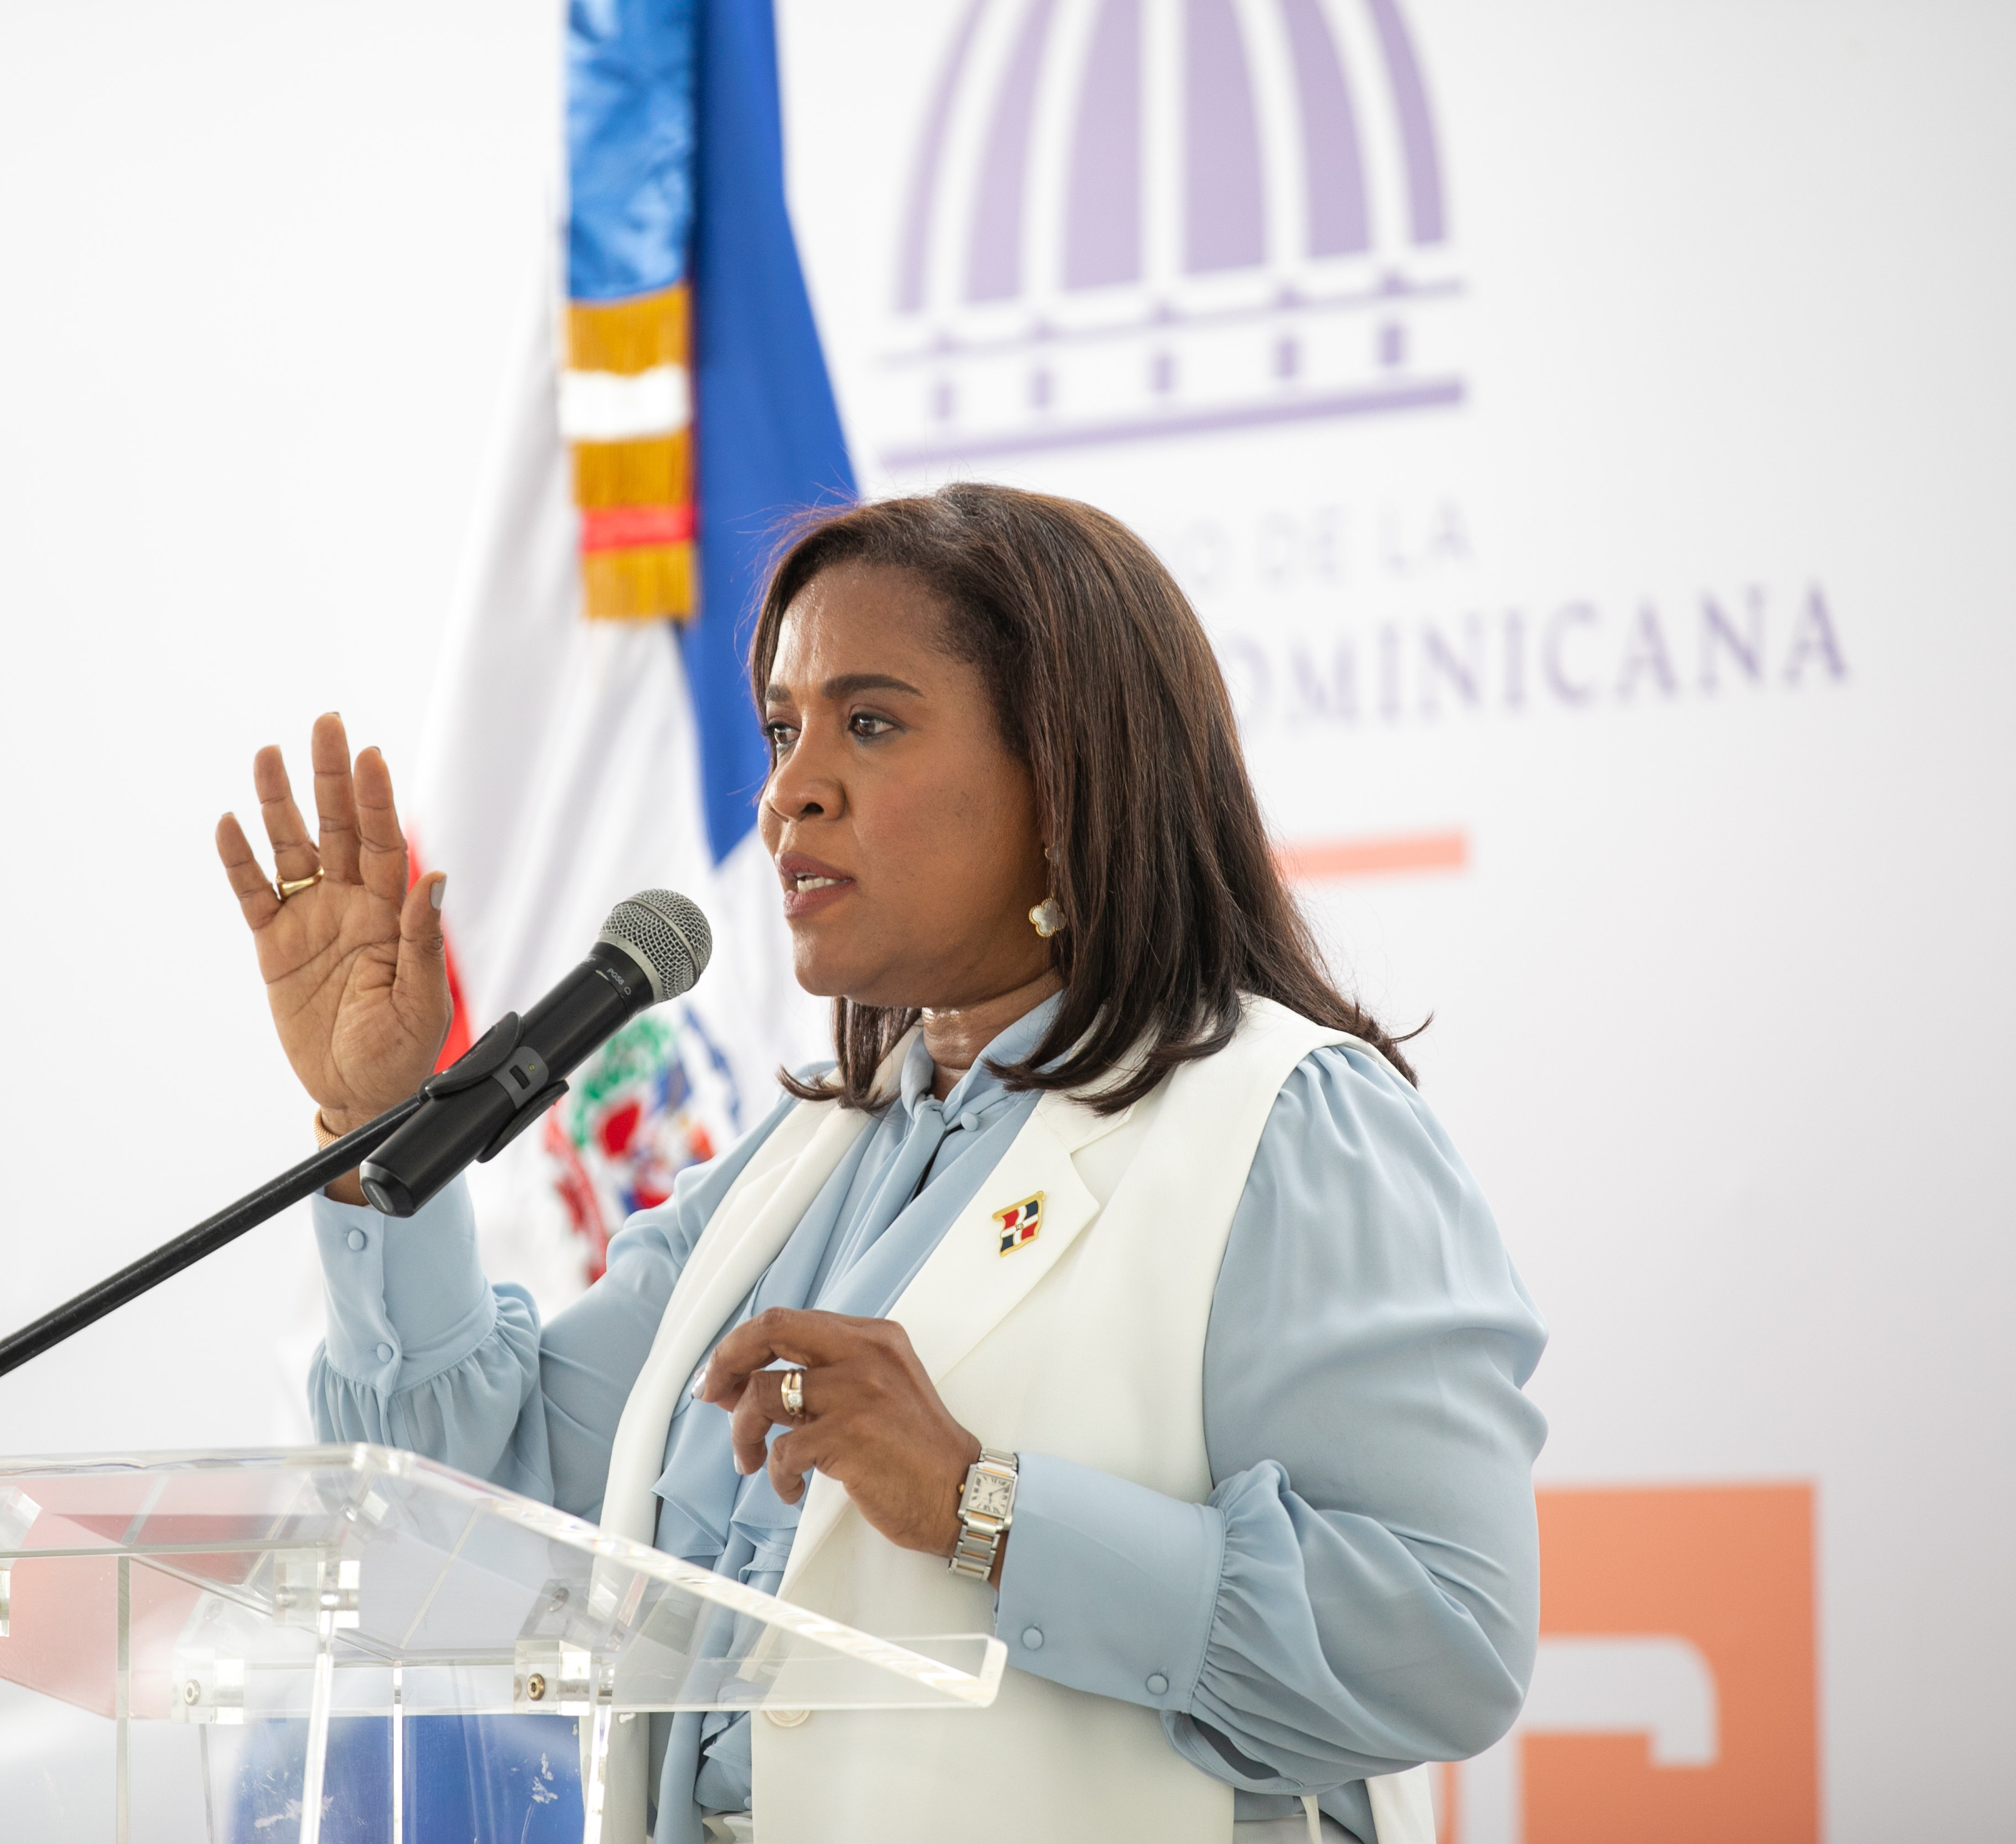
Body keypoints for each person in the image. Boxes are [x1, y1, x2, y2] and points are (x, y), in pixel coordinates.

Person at [214, 484, 1545, 1844]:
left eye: (869, 722)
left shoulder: (1284, 1124)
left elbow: (1442, 1641)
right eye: (782, 729)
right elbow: (459, 1498)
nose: (789, 789)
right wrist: (376, 1124)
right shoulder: (795, 1173)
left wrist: (984, 1508)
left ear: (1066, 776)